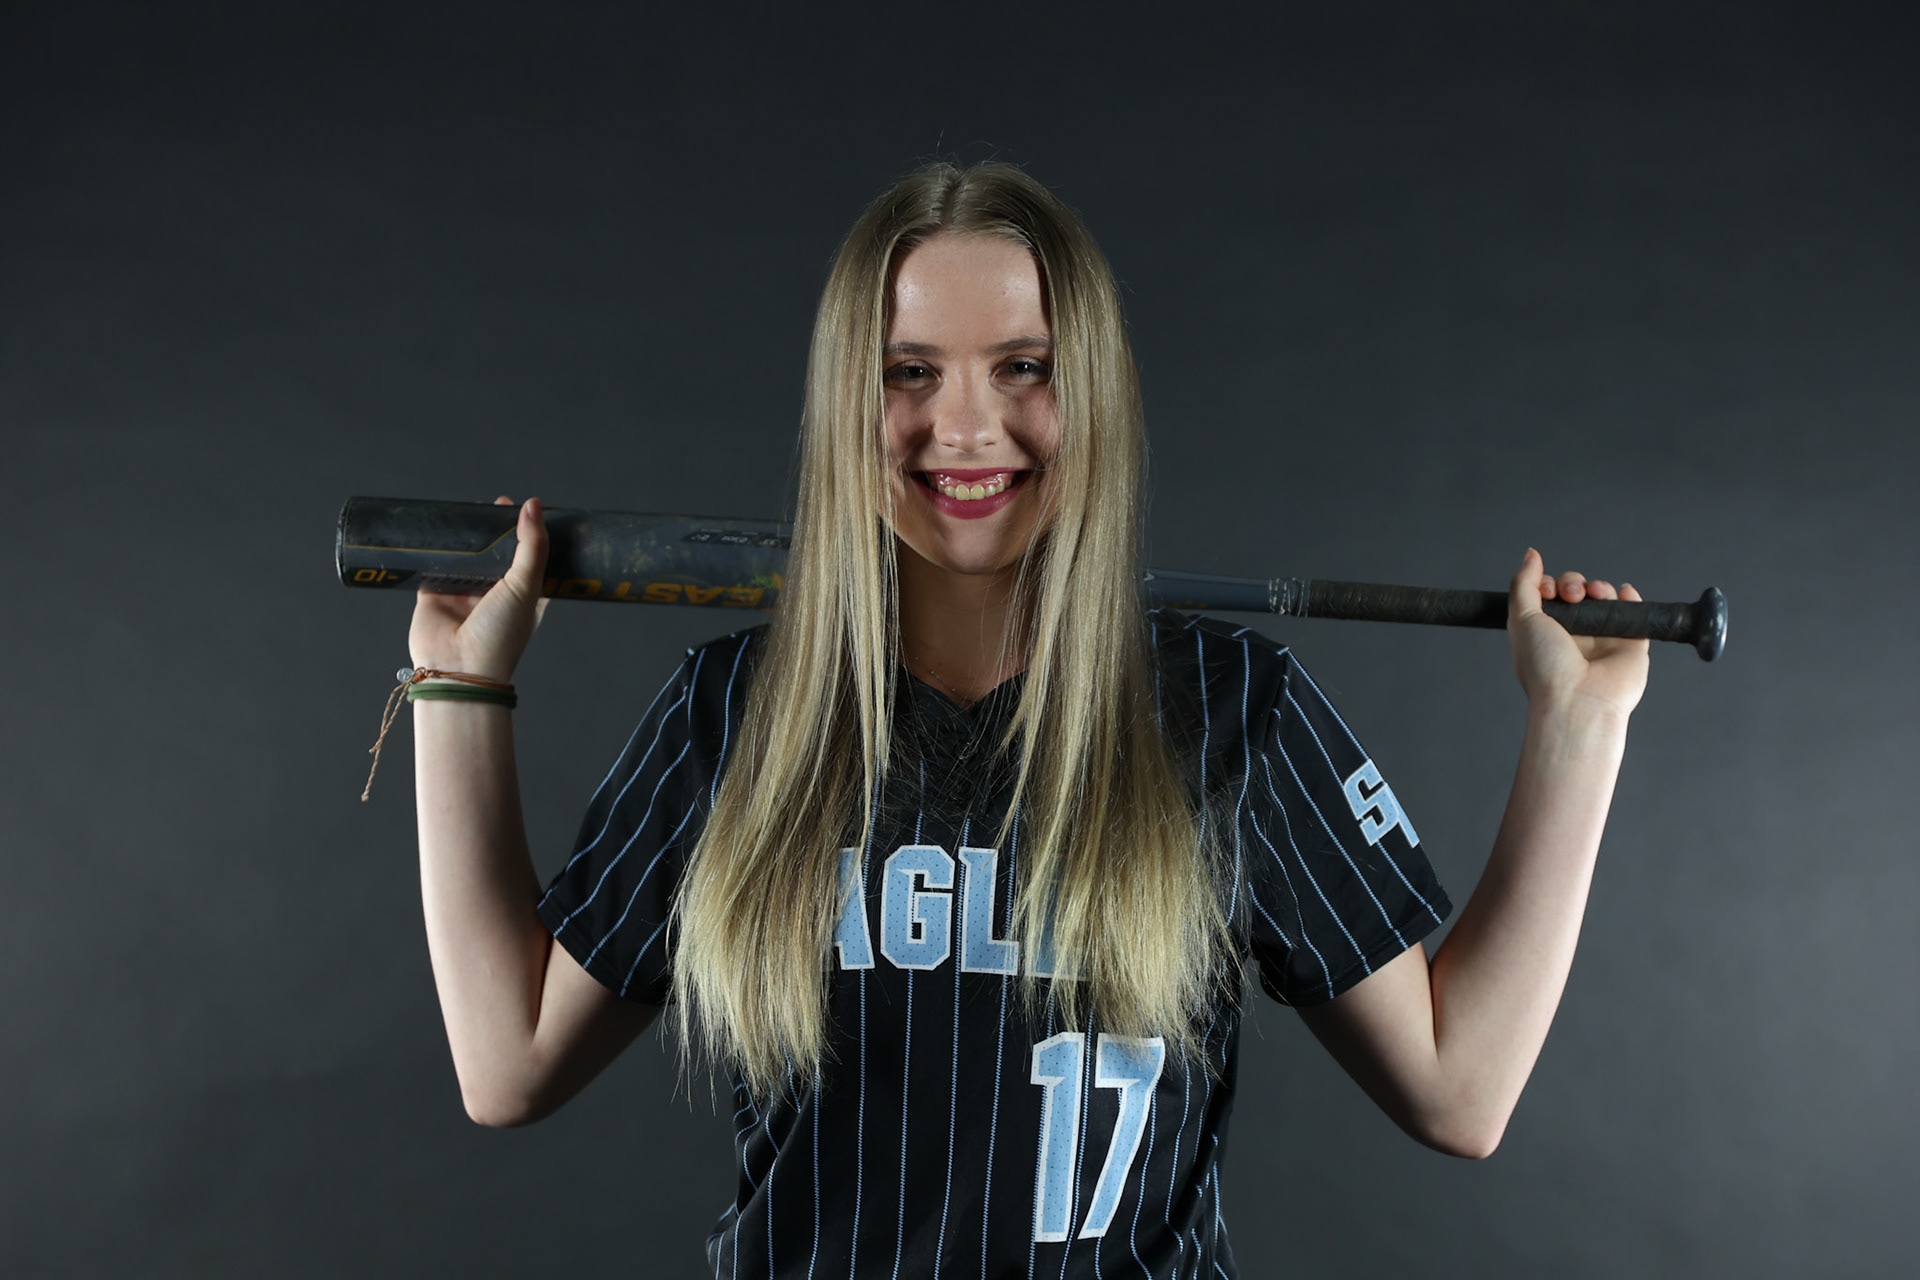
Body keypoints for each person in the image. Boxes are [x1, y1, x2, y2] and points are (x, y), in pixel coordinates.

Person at [399, 161, 1649, 1277]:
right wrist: (461, 683)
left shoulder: (1227, 710)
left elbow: (1460, 1085)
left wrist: (1578, 727)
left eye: (1023, 368)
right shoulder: (734, 711)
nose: (965, 426)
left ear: (1087, 391)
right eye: (909, 372)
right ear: (850, 402)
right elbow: (506, 1063)